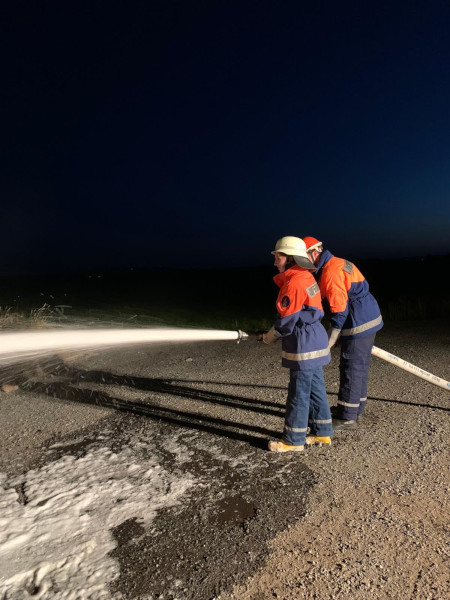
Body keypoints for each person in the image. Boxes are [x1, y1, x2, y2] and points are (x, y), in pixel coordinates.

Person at [303, 236, 383, 430]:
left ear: (314, 253)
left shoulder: (331, 271)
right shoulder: (335, 263)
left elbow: (339, 311)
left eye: (302, 258)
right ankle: (355, 408)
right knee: (359, 367)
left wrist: (330, 340)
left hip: (359, 322)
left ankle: (347, 417)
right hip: (368, 316)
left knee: (351, 368)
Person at [262, 236, 333, 452]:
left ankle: (293, 440)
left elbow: (286, 322)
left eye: (279, 256)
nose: (275, 261)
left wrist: (268, 337)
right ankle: (322, 433)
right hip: (315, 338)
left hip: (304, 343)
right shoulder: (305, 276)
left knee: (299, 393)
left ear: (291, 258)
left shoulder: (293, 283)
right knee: (315, 389)